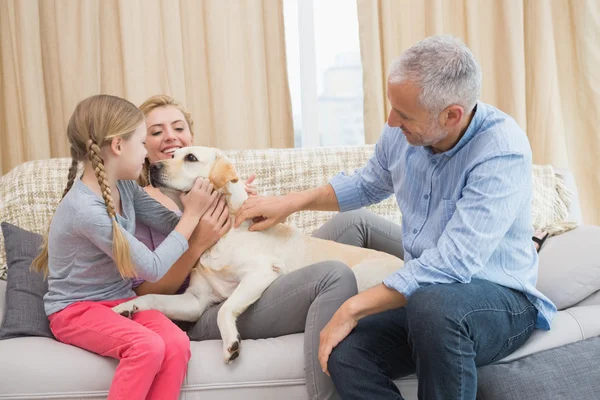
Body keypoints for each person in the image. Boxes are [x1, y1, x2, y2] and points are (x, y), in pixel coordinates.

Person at [234, 35, 557, 399]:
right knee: (347, 353)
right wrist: (290, 202)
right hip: (429, 303)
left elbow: (453, 263)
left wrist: (352, 307)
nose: (390, 121)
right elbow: (369, 183)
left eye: (403, 115)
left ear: (452, 114)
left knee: (433, 304)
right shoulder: (402, 134)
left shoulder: (501, 152)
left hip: (500, 302)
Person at [131, 94, 359, 400]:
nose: (170, 137)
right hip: (207, 301)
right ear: (141, 144)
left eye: (178, 128)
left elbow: (242, 241)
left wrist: (237, 197)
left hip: (241, 268)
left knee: (356, 222)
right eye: (157, 132)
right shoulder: (142, 204)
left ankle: (431, 271)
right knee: (334, 274)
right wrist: (198, 241)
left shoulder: (205, 182)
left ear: (191, 139)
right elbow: (144, 292)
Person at [30, 94, 217, 400]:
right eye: (143, 143)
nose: (146, 154)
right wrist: (193, 214)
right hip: (75, 311)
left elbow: (171, 224)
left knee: (177, 344)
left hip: (118, 301)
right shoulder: (85, 210)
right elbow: (153, 268)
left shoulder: (125, 187)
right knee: (147, 346)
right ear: (118, 146)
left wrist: (202, 199)